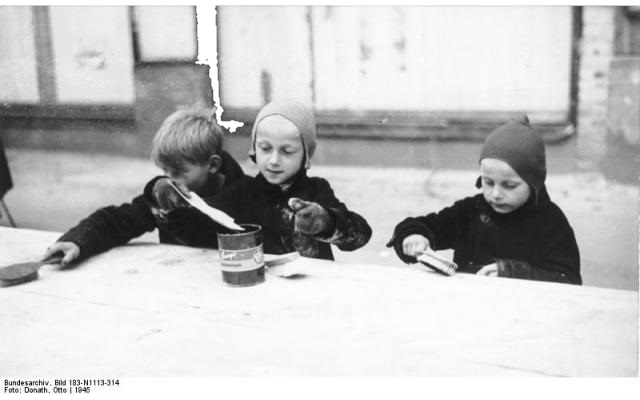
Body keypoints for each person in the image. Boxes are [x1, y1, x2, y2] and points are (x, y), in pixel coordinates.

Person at [386, 115, 581, 284]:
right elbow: (427, 225)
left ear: (533, 182)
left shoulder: (550, 222)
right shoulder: (472, 211)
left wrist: (513, 272)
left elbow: (567, 279)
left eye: (509, 185)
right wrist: (414, 236)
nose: (496, 194)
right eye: (488, 182)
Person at [43, 105, 245, 266]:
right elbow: (116, 221)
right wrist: (77, 242)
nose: (169, 180)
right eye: (165, 171)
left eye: (178, 172)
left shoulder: (246, 195)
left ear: (213, 165)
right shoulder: (168, 195)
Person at [189, 100, 372, 260]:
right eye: (265, 148)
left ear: (306, 154)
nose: (274, 160)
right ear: (254, 148)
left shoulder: (317, 190)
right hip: (261, 289)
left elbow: (360, 236)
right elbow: (194, 224)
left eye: (287, 151)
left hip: (311, 290)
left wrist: (326, 221)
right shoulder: (241, 192)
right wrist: (165, 199)